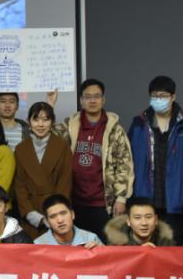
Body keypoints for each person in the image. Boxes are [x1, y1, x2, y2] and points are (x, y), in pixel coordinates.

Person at [51, 79, 133, 240]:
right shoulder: (71, 124)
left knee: (104, 247)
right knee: (76, 247)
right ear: (81, 100)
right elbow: (47, 135)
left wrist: (121, 198)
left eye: (96, 96)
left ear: (103, 100)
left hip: (103, 203)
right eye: (88, 97)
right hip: (73, 202)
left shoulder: (115, 130)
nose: (92, 100)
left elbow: (124, 165)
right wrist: (50, 106)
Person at [127, 76, 183, 245]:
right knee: (144, 250)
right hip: (145, 199)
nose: (159, 100)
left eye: (163, 96)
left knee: (172, 249)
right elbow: (127, 164)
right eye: (155, 96)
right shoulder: (138, 125)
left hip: (175, 201)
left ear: (173, 97)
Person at [14, 101, 73, 239]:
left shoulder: (62, 146)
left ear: (52, 122)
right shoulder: (21, 149)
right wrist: (32, 215)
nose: (40, 124)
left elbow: (65, 182)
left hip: (57, 215)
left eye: (45, 120)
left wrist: (55, 214)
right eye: (36, 119)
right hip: (31, 215)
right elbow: (19, 186)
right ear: (28, 121)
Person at [105, 197, 175, 247]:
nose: (144, 223)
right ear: (128, 221)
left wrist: (155, 253)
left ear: (156, 220)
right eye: (137, 218)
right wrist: (139, 253)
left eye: (148, 217)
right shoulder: (116, 244)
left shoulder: (166, 243)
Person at [34, 193, 100, 246]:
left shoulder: (90, 239)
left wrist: (98, 251)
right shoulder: (38, 245)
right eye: (53, 216)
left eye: (63, 213)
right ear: (47, 222)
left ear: (72, 214)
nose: (60, 220)